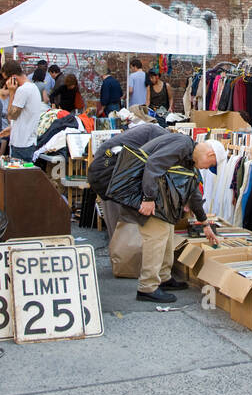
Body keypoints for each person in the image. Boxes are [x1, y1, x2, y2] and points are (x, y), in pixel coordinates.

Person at [86, 123, 219, 303]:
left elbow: (193, 192)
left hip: (146, 191)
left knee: (167, 228)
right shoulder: (182, 144)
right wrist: (148, 198)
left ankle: (163, 277)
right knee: (156, 235)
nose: (206, 169)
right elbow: (153, 164)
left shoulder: (189, 155)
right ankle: (147, 287)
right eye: (210, 165)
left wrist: (205, 224)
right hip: (140, 190)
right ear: (210, 154)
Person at [3, 60, 46, 162]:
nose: (5, 83)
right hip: (28, 142)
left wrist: (12, 92)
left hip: (21, 144)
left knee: (18, 176)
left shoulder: (23, 90)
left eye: (6, 79)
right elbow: (25, 116)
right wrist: (12, 128)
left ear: (13, 77)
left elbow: (11, 116)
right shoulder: (33, 87)